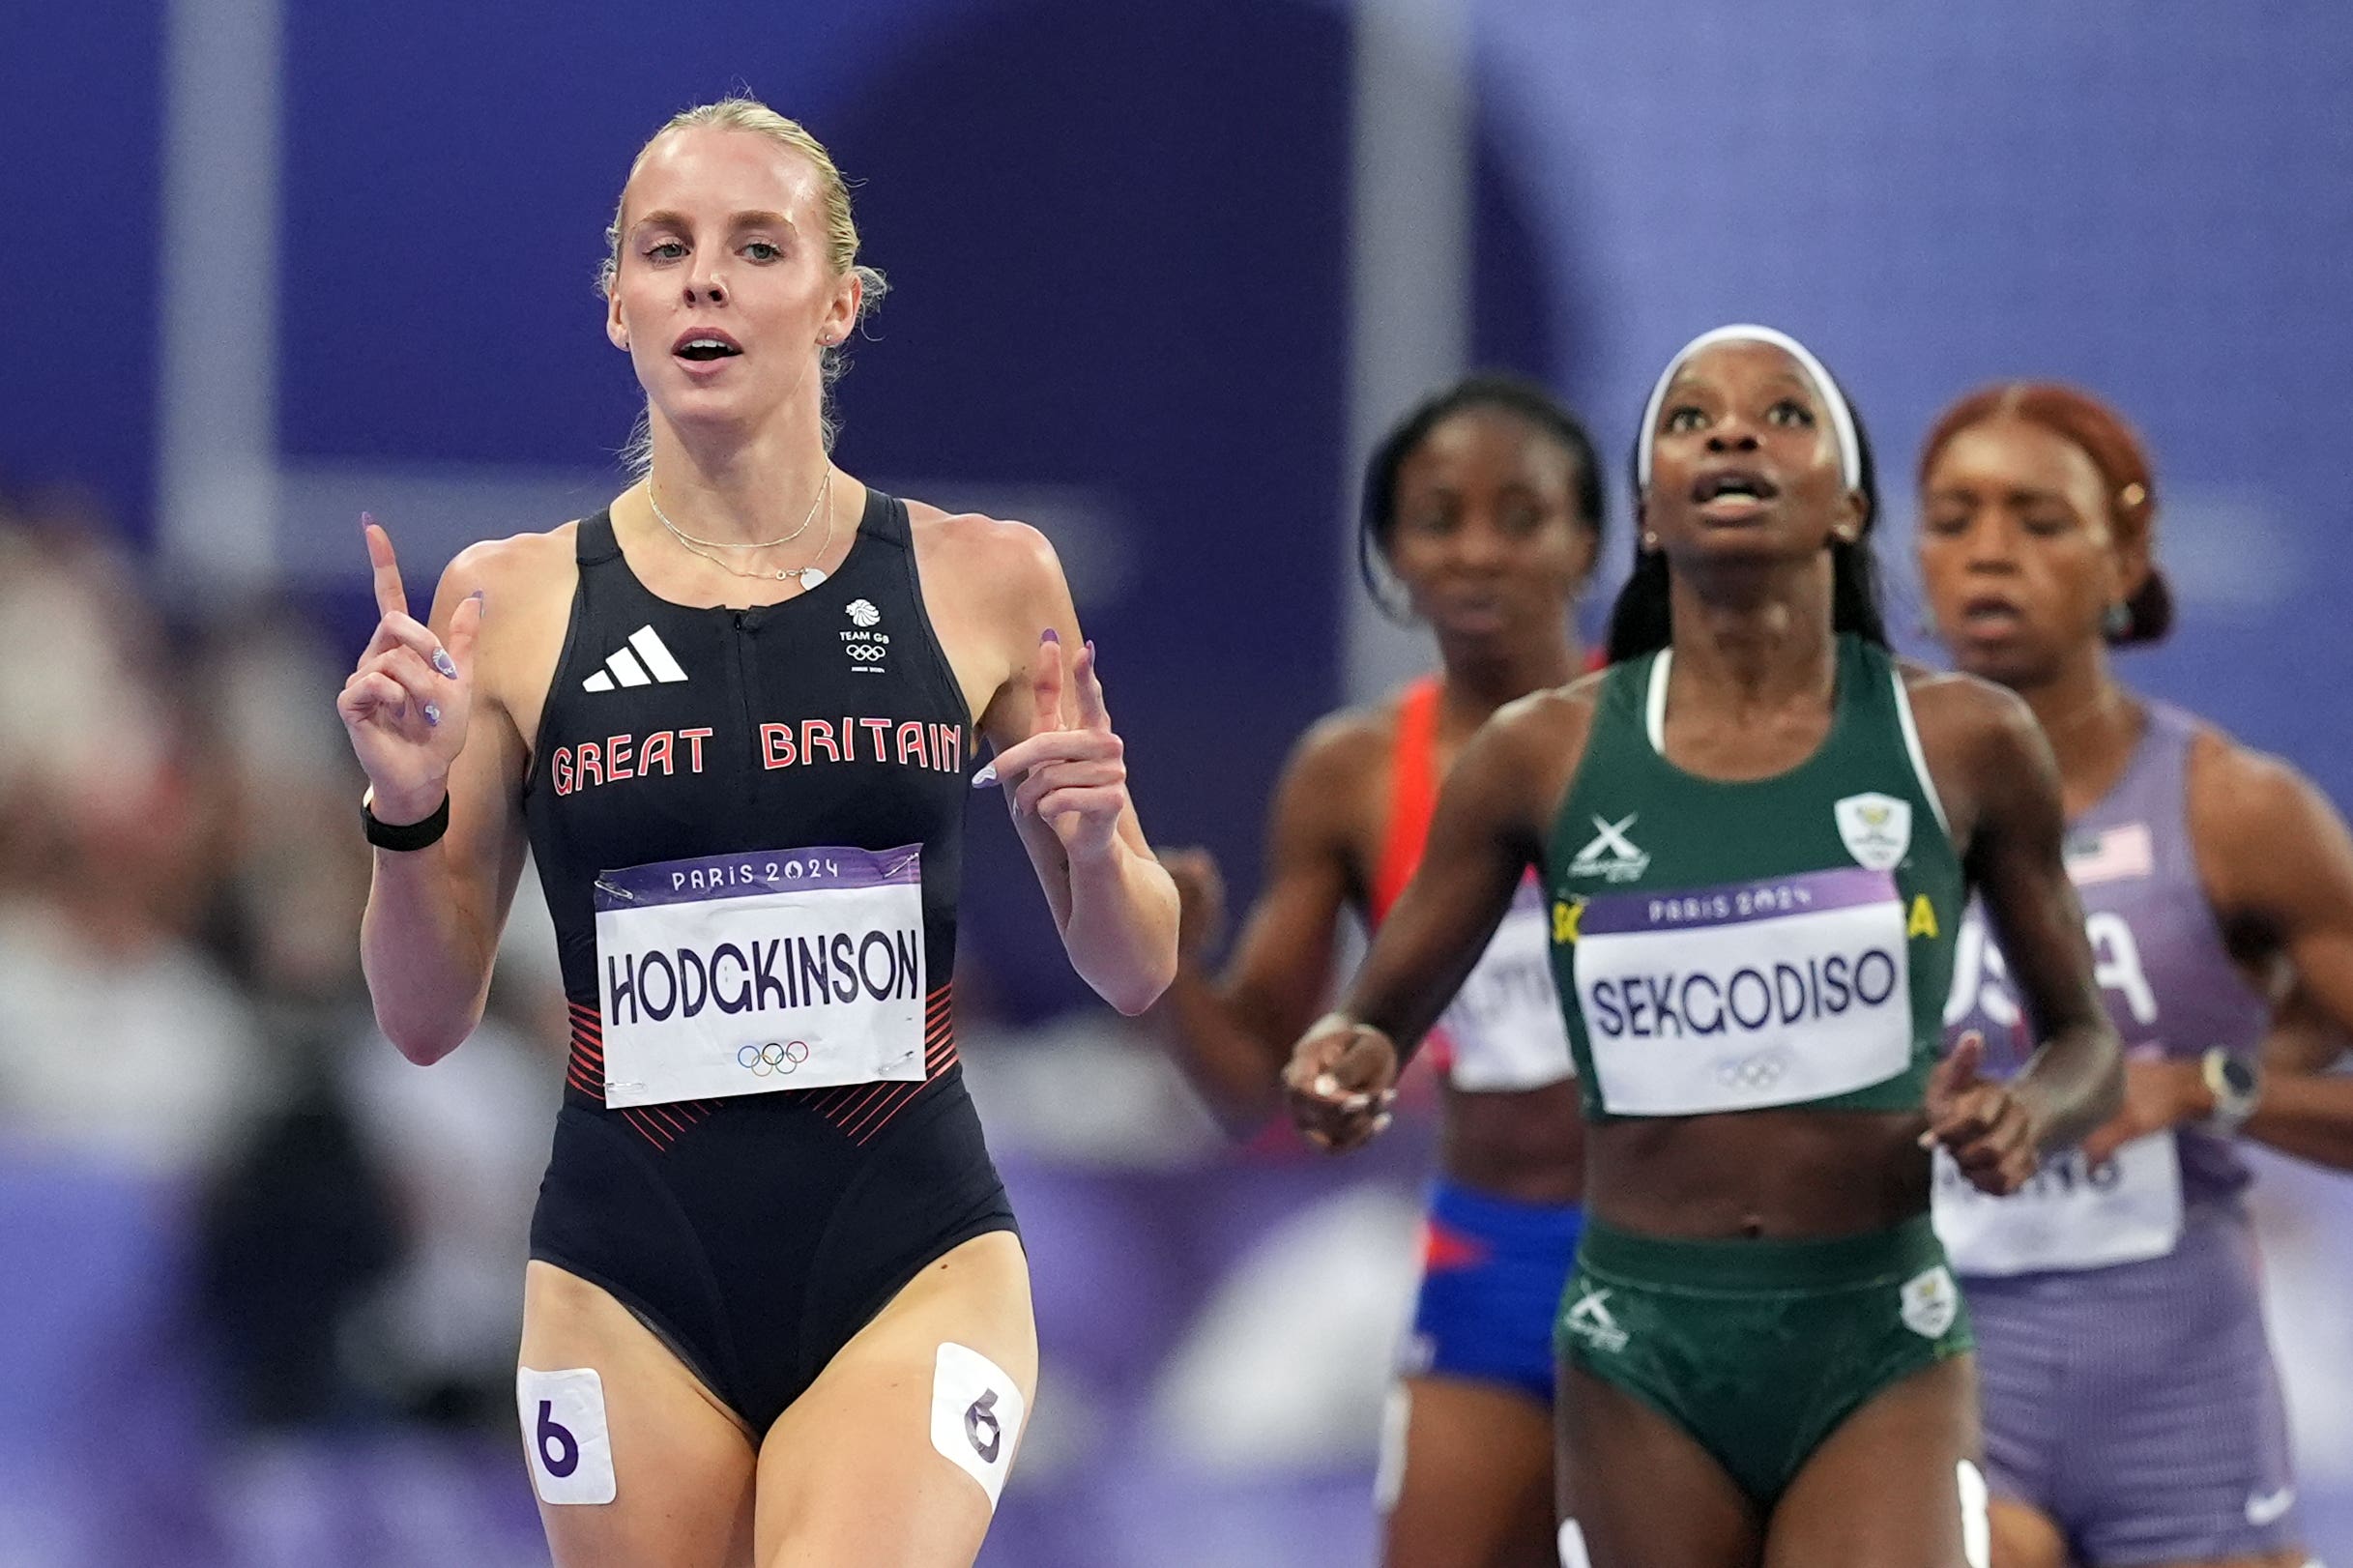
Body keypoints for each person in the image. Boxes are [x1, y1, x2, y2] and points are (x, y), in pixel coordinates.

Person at [335, 97, 1177, 1568]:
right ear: (619, 306)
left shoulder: (984, 578)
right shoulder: (512, 600)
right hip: (624, 1268)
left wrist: (1097, 844)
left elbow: (1138, 969)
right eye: (666, 250)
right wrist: (404, 813)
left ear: (836, 301)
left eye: (755, 245)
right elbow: (421, 1021)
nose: (704, 279)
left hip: (910, 1250)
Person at [1283, 325, 2125, 1568]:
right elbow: (1370, 1022)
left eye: (1784, 415)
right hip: (1641, 1346)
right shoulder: (1541, 751)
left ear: (1845, 504)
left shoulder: (1963, 740)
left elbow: (2087, 1040)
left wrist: (2030, 1113)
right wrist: (1340, 1065)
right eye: (1691, 418)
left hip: (1876, 1333)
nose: (1732, 432)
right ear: (1646, 510)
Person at [1150, 374, 1602, 1567]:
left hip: (1680, 1253)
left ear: (1590, 540)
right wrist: (1166, 964)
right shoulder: (1351, 775)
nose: (1477, 551)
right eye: (1438, 517)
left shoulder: (1676, 735)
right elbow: (1247, 1077)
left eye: (1521, 514)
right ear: (1392, 555)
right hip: (1488, 1248)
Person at [1917, 381, 2353, 1568]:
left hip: (2181, 1383)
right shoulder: (1858, 809)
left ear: (2123, 559)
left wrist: (2209, 1084)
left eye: (2037, 519)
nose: (1989, 552)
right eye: (1953, 518)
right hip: (1941, 1362)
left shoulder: (2234, 808)